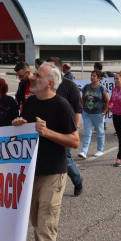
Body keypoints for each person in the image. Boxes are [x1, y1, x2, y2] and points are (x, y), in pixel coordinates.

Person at [12, 62, 79, 241]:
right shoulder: (30, 102)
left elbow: (74, 141)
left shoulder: (62, 106)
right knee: (37, 225)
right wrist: (19, 123)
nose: (32, 78)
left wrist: (48, 132)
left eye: (38, 76)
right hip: (32, 173)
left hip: (53, 173)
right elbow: (24, 129)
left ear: (50, 83)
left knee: (45, 228)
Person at [47, 57, 83, 196]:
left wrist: (75, 129)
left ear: (60, 69)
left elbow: (77, 109)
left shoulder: (69, 85)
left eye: (51, 68)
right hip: (46, 130)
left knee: (65, 159)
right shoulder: (46, 84)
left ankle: (78, 179)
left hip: (65, 130)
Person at [78, 70, 109, 159]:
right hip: (87, 114)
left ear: (99, 78)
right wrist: (83, 107)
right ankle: (84, 151)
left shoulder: (102, 88)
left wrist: (103, 112)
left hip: (98, 114)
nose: (92, 77)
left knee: (100, 133)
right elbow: (83, 97)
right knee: (87, 133)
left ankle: (100, 150)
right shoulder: (87, 87)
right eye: (91, 75)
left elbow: (108, 101)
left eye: (94, 76)